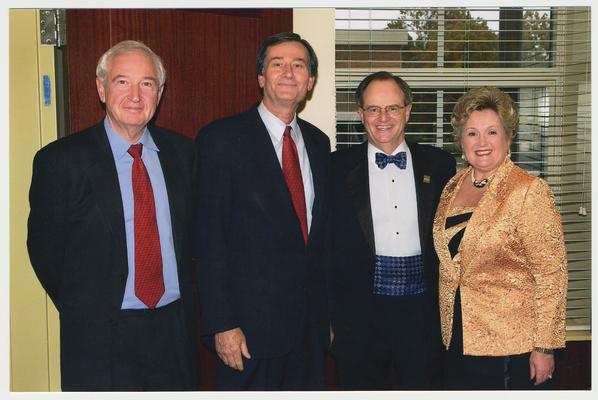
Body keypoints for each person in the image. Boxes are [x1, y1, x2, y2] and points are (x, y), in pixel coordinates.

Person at [27, 40, 199, 391]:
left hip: (174, 331)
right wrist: (88, 304)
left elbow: (196, 238)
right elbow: (45, 253)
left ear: (160, 91)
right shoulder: (60, 162)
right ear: (101, 88)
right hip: (98, 336)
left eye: (147, 83)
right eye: (122, 81)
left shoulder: (184, 154)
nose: (135, 95)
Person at [194, 32, 331, 390]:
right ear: (260, 78)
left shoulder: (318, 143)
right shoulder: (221, 140)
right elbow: (209, 240)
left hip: (309, 331)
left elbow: (319, 242)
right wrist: (221, 324)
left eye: (298, 65)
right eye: (277, 64)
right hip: (249, 334)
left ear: (310, 81)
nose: (288, 72)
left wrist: (327, 316)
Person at [432, 86, 568, 390]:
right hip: (456, 339)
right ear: (461, 140)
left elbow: (551, 275)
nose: (481, 143)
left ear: (508, 138)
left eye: (491, 132)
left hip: (510, 345)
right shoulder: (453, 185)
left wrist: (545, 347)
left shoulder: (529, 190)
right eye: (472, 133)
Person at [329, 71, 456, 390]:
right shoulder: (333, 168)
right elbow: (323, 247)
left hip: (422, 314)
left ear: (408, 111)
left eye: (392, 108)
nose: (383, 118)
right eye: (373, 109)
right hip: (360, 315)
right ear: (360, 114)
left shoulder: (440, 165)